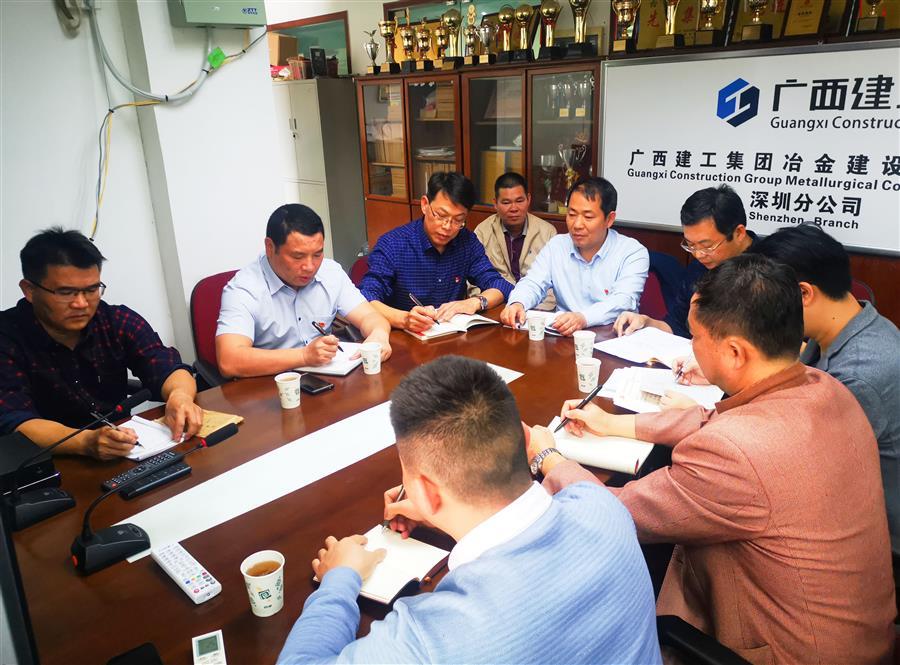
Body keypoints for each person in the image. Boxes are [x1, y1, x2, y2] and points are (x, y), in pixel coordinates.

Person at [531, 254, 895, 664]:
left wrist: (548, 457)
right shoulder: (825, 387)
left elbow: (613, 513)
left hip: (789, 652)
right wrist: (613, 423)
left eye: (696, 337)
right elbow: (713, 420)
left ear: (736, 352)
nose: (692, 347)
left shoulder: (733, 453)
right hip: (861, 636)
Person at [276, 356, 661, 665]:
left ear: (425, 491)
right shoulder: (603, 507)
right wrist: (437, 512)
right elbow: (570, 490)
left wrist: (339, 578)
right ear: (526, 438)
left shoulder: (432, 640)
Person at [752, 224, 900, 564]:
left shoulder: (860, 374)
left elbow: (798, 466)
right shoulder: (847, 324)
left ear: (803, 294)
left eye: (768, 302)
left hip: (875, 536)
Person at [0, 228, 202, 460]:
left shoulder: (115, 321)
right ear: (29, 290)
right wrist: (85, 442)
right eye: (66, 292)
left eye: (91, 290)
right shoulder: (7, 339)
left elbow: (167, 366)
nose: (81, 303)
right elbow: (16, 421)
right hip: (45, 462)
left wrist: (180, 397)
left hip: (123, 450)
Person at [216, 204, 391, 378]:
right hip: (271, 384)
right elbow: (229, 360)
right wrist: (303, 356)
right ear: (270, 247)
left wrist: (379, 335)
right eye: (298, 256)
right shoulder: (243, 289)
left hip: (326, 379)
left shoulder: (331, 272)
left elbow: (370, 316)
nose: (310, 267)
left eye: (317, 255)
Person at [359, 172, 513, 334]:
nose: (447, 227)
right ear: (425, 204)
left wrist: (474, 302)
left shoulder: (467, 242)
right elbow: (365, 298)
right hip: (404, 338)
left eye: (458, 220)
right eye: (441, 215)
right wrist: (404, 319)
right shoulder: (393, 244)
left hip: (451, 336)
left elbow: (500, 286)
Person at [500, 177, 648, 336]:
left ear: (609, 219)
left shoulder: (632, 252)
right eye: (571, 214)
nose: (577, 225)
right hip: (563, 337)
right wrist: (518, 303)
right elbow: (533, 283)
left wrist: (583, 318)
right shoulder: (556, 246)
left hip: (612, 338)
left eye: (588, 217)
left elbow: (623, 300)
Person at [614, 184, 754, 338]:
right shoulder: (698, 269)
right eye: (691, 245)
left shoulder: (768, 270)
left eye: (707, 246)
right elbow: (677, 325)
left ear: (739, 233)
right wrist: (646, 323)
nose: (698, 255)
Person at [469, 172, 557, 310]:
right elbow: (472, 282)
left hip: (537, 309)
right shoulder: (482, 232)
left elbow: (554, 284)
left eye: (519, 201)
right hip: (496, 308)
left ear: (528, 199)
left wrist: (529, 309)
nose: (514, 208)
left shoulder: (547, 232)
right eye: (506, 202)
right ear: (495, 204)